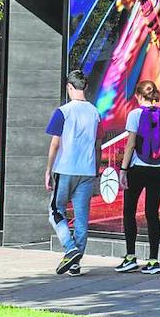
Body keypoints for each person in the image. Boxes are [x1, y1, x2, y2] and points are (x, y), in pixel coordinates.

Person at [45, 70, 101, 276]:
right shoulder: (95, 113)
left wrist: (48, 170)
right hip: (86, 171)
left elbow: (55, 143)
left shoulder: (63, 112)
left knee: (55, 211)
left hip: (65, 169)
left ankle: (69, 248)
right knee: (81, 218)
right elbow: (98, 144)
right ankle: (76, 264)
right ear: (85, 87)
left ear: (69, 87)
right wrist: (95, 170)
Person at [115, 80, 160, 275]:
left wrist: (123, 170)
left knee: (129, 211)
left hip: (138, 168)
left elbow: (131, 145)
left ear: (139, 96)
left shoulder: (135, 114)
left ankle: (130, 257)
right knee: (152, 213)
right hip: (159, 170)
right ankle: (154, 260)